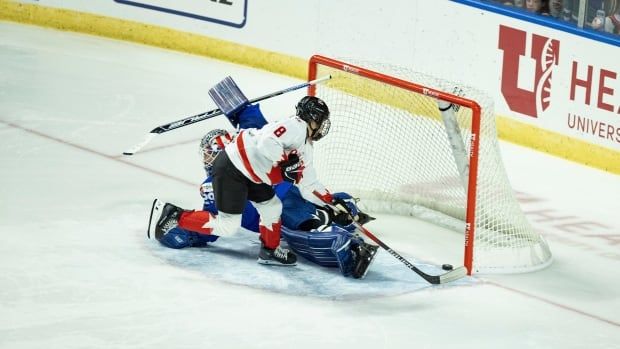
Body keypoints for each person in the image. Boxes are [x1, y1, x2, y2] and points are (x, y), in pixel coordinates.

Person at [149, 96, 377, 276]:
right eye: (321, 120)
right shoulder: (294, 126)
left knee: (271, 207)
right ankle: (175, 216)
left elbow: (309, 184)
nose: (323, 127)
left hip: (253, 176)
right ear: (313, 119)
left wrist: (331, 201)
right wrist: (284, 163)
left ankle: (269, 251)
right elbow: (268, 142)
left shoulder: (305, 146)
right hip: (233, 166)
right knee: (228, 226)